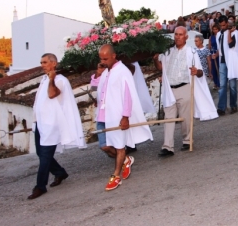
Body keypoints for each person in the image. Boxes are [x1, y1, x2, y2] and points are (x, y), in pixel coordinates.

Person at [90, 44, 153, 191]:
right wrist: (98, 73)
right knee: (104, 146)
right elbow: (95, 87)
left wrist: (125, 117)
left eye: (105, 58)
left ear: (114, 56)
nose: (103, 61)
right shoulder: (105, 71)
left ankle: (116, 175)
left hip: (117, 115)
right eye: (101, 59)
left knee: (119, 146)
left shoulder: (122, 71)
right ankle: (126, 160)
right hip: (103, 115)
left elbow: (128, 95)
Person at [153, 27, 218, 157]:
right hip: (170, 89)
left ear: (186, 37)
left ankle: (187, 140)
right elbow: (161, 67)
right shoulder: (167, 52)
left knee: (186, 117)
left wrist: (196, 71)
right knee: (168, 118)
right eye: (176, 34)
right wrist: (155, 60)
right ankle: (167, 146)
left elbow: (200, 72)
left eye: (181, 35)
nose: (178, 37)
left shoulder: (192, 52)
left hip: (185, 87)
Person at [28, 53, 86, 200]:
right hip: (41, 124)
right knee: (40, 154)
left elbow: (52, 94)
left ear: (54, 63)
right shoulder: (44, 79)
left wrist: (52, 79)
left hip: (52, 126)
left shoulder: (59, 80)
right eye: (41, 62)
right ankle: (60, 172)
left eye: (45, 62)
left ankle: (40, 186)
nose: (42, 65)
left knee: (45, 156)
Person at [216, 15, 238, 115]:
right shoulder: (219, 34)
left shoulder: (234, 32)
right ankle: (221, 107)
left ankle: (233, 105)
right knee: (222, 85)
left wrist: (229, 33)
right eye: (221, 25)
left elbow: (231, 44)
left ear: (227, 23)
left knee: (232, 86)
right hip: (222, 61)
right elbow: (220, 48)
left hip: (231, 62)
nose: (222, 27)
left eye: (224, 25)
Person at [209, 24, 220, 90]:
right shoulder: (211, 37)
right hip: (212, 53)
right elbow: (209, 46)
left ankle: (220, 83)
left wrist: (217, 54)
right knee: (214, 69)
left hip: (219, 54)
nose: (215, 30)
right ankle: (215, 83)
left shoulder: (220, 36)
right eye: (214, 29)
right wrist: (210, 54)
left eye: (216, 29)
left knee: (219, 68)